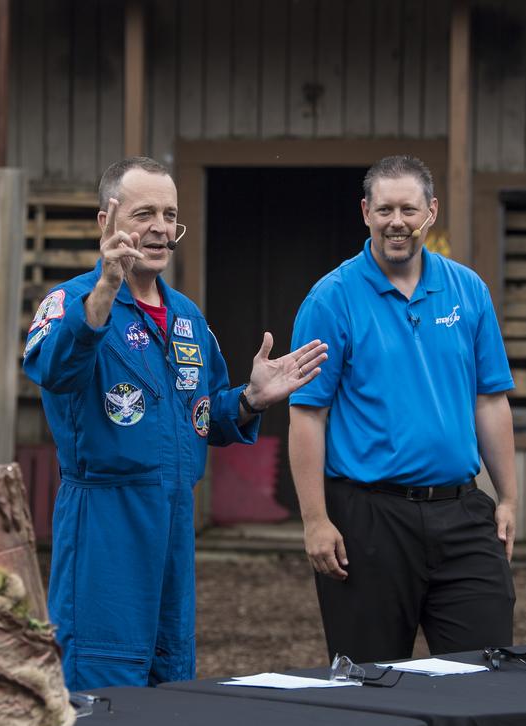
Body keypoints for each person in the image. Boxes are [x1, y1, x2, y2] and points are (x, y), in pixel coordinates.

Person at [23, 157, 328, 690]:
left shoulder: (187, 316)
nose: (161, 228)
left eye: (170, 215)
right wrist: (103, 292)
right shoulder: (69, 301)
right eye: (145, 214)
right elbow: (53, 368)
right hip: (105, 521)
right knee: (103, 680)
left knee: (172, 681)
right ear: (106, 222)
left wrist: (251, 401)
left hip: (175, 524)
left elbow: (203, 413)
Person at [289, 155, 518, 665]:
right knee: (368, 681)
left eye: (409, 209)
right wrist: (314, 520)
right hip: (367, 519)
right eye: (385, 209)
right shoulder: (332, 299)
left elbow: (491, 399)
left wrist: (507, 498)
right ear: (365, 212)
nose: (397, 222)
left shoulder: (467, 290)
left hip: (461, 512)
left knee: (486, 672)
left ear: (431, 212)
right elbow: (308, 414)